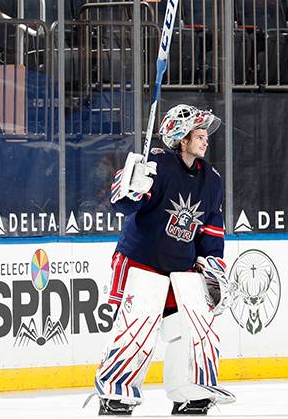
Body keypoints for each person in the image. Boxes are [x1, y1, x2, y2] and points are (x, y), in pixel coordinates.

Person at [92, 104, 235, 416]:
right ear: (181, 138)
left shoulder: (211, 179)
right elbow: (125, 207)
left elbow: (211, 226)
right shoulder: (156, 164)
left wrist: (212, 264)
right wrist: (131, 186)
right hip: (141, 261)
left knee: (193, 327)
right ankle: (117, 391)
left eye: (205, 134)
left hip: (180, 269)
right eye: (199, 134)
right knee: (139, 326)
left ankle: (190, 390)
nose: (206, 139)